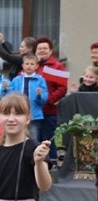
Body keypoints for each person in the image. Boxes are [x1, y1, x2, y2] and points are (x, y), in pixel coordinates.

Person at [33, 37, 68, 165]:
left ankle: (52, 166)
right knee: (33, 140)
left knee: (48, 140)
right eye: (39, 49)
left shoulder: (57, 66)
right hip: (32, 113)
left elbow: (62, 88)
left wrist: (48, 100)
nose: (42, 51)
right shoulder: (32, 65)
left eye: (45, 48)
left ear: (50, 50)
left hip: (48, 111)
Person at [3, 54, 47, 141]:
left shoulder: (40, 80)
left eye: (32, 64)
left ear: (36, 66)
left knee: (33, 137)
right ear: (23, 65)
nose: (29, 66)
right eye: (27, 64)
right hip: (18, 113)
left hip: (34, 115)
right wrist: (7, 89)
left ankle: (33, 153)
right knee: (19, 136)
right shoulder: (16, 80)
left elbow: (44, 99)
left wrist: (39, 95)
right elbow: (12, 97)